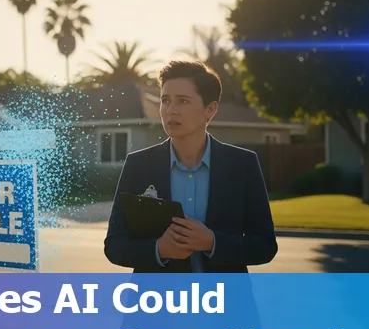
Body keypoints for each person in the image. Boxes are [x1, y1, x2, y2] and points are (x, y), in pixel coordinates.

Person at [104, 60, 278, 273]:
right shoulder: (139, 165)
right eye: (165, 100)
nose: (171, 110)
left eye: (183, 101)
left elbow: (265, 246)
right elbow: (114, 246)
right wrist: (159, 249)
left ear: (210, 109)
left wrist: (212, 243)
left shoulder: (242, 165)